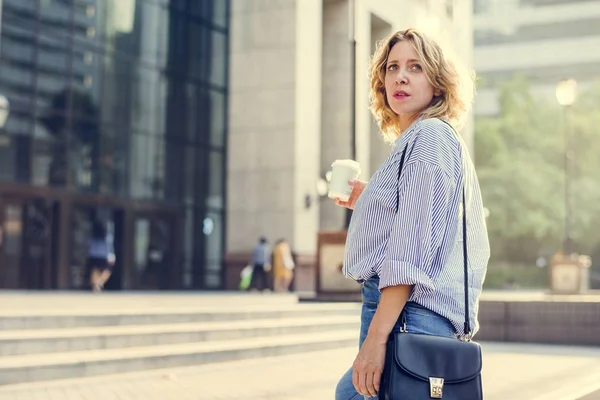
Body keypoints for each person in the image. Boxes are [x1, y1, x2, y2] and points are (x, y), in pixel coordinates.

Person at [334, 28, 490, 399]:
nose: (400, 76)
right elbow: (417, 218)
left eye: (416, 67)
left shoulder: (429, 137)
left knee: (352, 394)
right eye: (392, 67)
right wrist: (370, 199)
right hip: (409, 315)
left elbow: (410, 253)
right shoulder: (421, 140)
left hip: (408, 315)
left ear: (437, 84)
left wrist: (376, 339)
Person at [87, 220, 115, 292]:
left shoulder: (92, 237)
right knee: (107, 271)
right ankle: (99, 282)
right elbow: (109, 247)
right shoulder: (107, 237)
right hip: (103, 256)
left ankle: (95, 284)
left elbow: (89, 246)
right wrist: (111, 256)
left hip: (93, 255)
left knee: (95, 271)